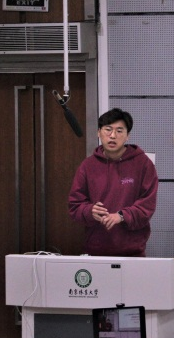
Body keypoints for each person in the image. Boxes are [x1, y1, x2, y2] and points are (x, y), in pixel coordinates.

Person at [68, 108, 159, 256]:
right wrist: (90, 211)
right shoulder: (87, 166)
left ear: (127, 136)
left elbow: (147, 205)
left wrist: (122, 216)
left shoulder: (143, 164)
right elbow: (75, 206)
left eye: (119, 131)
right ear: (99, 133)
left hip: (132, 252)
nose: (112, 135)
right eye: (108, 130)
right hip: (94, 251)